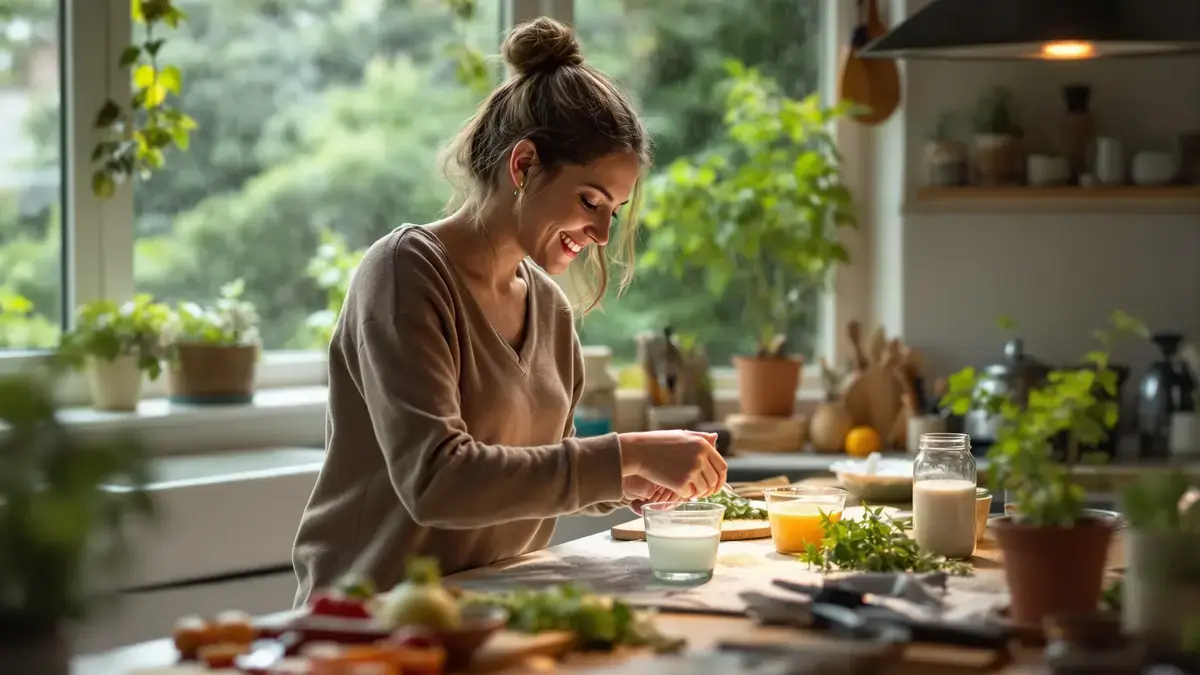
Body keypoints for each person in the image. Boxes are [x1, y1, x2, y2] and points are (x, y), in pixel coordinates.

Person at [291, 16, 727, 606]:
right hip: (370, 626)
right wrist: (628, 454)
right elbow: (438, 482)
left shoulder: (548, 305)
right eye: (589, 200)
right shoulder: (405, 272)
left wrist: (631, 479)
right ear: (523, 166)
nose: (601, 232)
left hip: (487, 616)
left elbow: (534, 465)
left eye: (614, 212)